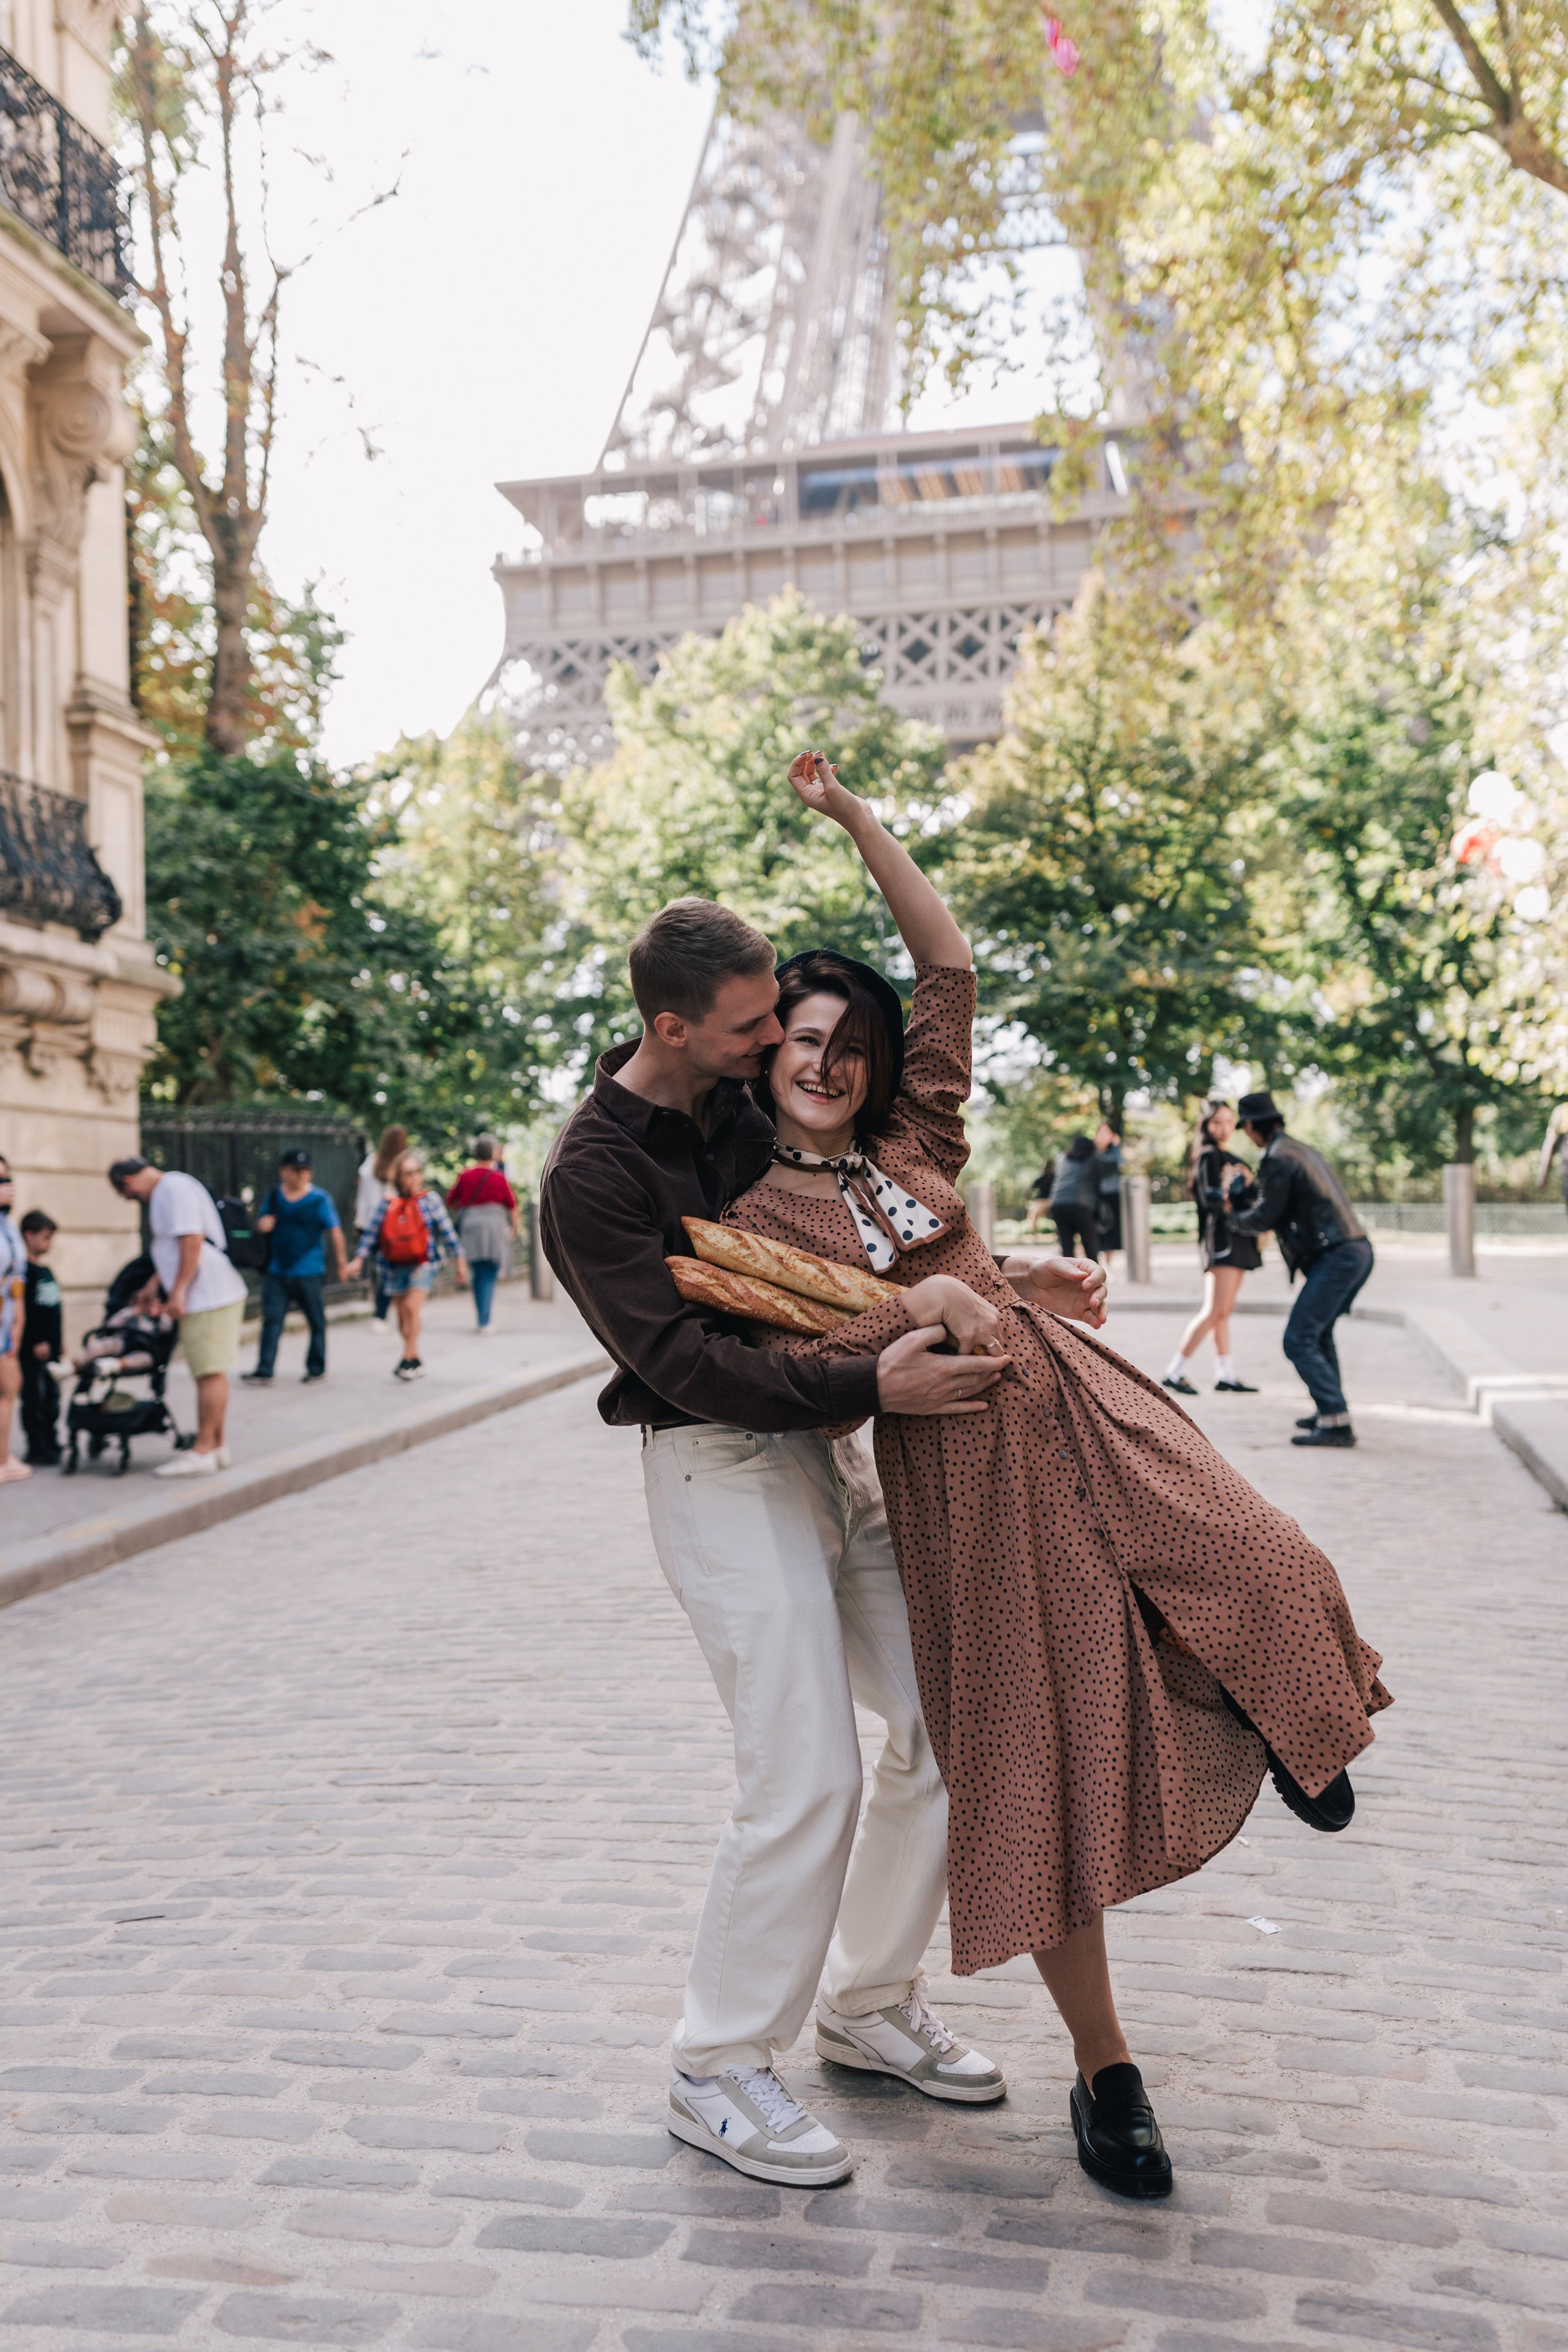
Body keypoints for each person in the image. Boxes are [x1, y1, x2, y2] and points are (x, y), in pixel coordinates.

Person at [725, 752, 1390, 2201]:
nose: (824, 1058)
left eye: (845, 1036)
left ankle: (1290, 1707)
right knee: (1029, 1773)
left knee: (1264, 1555)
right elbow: (818, 1336)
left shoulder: (917, 1136)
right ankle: (1106, 2070)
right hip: (954, 1475)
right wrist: (924, 1302)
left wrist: (850, 817)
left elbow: (944, 957)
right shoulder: (752, 1205)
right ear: (764, 1050)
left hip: (1069, 1399)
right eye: (799, 1037)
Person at [540, 894, 1076, 2191]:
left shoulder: (731, 1101)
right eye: (750, 1021)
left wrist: (1000, 1280)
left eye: (778, 1005)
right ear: (672, 1026)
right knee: (804, 1772)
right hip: (717, 1465)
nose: (779, 1037)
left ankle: (866, 2003)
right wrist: (872, 1386)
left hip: (828, 1448)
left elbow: (843, 1240)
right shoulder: (590, 1178)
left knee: (947, 1720)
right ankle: (713, 2062)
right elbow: (689, 1363)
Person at [1226, 1093, 1374, 1449]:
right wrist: (1250, 1193)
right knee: (1319, 1335)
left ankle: (1336, 1423)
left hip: (1337, 1254)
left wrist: (1229, 1212)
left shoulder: (1278, 1157)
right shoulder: (1299, 1149)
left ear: (1250, 1126)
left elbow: (1266, 1216)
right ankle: (1330, 1411)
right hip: (1355, 1249)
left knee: (1298, 1339)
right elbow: (1280, 1202)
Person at [108, 1158, 247, 1477]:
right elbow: (173, 1247)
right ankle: (216, 1445)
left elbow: (191, 1241)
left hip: (207, 1294)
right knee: (211, 1371)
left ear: (128, 1183)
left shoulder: (172, 1189)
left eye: (127, 1195)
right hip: (209, 1292)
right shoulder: (171, 1188)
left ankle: (202, 1451)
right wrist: (155, 1284)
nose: (133, 1201)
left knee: (209, 1372)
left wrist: (179, 1291)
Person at [1163, 1101, 1262, 1396]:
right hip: (1222, 1241)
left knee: (1224, 1310)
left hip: (1237, 1238)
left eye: (1229, 1122)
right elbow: (1211, 1199)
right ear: (1206, 1125)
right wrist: (1233, 1189)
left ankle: (1226, 1374)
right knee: (1215, 1309)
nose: (1224, 1127)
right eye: (1217, 1122)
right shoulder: (1208, 1156)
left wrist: (1247, 1181)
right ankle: (1175, 1371)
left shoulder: (1231, 1157)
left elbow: (1254, 1196)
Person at [346, 1150, 466, 1381]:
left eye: (416, 1172)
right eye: (408, 1173)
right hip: (393, 1266)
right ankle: (414, 1358)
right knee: (402, 1316)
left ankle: (407, 1357)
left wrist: (460, 1261)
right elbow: (371, 1235)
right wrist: (358, 1260)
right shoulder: (387, 1203)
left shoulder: (430, 1200)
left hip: (424, 1263)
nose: (413, 1177)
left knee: (412, 1307)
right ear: (398, 1177)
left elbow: (447, 1233)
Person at [243, 1150, 348, 1385]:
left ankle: (316, 1367)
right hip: (277, 1270)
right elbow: (260, 1225)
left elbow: (335, 1231)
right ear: (284, 1172)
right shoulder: (273, 1197)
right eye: (297, 1170)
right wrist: (262, 1226)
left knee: (316, 1321)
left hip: (309, 1271)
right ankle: (264, 1369)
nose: (302, 1175)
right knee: (272, 1321)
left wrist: (342, 1264)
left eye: (306, 1171)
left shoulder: (319, 1199)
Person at [447, 1136, 519, 1331]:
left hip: (470, 1227)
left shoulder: (465, 1175)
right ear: (493, 1153)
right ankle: (485, 1321)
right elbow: (512, 1206)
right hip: (494, 1228)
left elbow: (451, 1200)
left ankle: (482, 1317)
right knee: (489, 1273)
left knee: (478, 1272)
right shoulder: (499, 1177)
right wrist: (514, 1228)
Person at [20, 1210, 64, 1464]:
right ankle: (37, 1446)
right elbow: (28, 1311)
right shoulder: (25, 1272)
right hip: (34, 1349)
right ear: (29, 1235)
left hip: (52, 1348)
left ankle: (51, 1439)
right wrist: (37, 1340)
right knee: (35, 1397)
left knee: (52, 1398)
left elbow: (54, 1308)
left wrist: (58, 1341)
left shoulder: (46, 1270)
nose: (49, 1244)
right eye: (45, 1238)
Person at [355, 1125, 408, 1322]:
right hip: (397, 1225)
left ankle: (381, 1311)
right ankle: (387, 1310)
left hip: (373, 1223)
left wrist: (360, 1223)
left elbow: (363, 1199)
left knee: (382, 1268)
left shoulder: (371, 1164)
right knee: (394, 1267)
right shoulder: (403, 1165)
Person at [0, 1157, 28, 1485]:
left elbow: (15, 1275)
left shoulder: (7, 1225)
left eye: (7, 1180)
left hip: (7, 1321)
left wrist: (19, 1314)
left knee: (9, 1387)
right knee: (7, 1386)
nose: (6, 1188)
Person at [1049, 1134, 1101, 1261]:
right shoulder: (1092, 1160)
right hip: (1080, 1205)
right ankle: (1095, 1278)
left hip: (1058, 1204)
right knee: (1090, 1244)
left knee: (1067, 1247)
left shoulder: (1061, 1158)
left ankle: (1069, 1279)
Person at [1093, 1121, 1125, 1272]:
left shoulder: (1114, 1153)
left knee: (1111, 1233)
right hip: (1094, 1197)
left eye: (1108, 1133)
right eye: (1101, 1132)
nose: (1104, 1136)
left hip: (1112, 1196)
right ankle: (1095, 1265)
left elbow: (1122, 1163)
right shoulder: (1091, 1153)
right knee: (1094, 1232)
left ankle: (1108, 1266)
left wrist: (1117, 1147)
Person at [1538, 1104, 1568, 1223]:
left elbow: (1550, 1143)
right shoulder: (1562, 1111)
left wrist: (1543, 1176)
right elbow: (1550, 1144)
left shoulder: (1562, 1111)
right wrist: (1543, 1175)